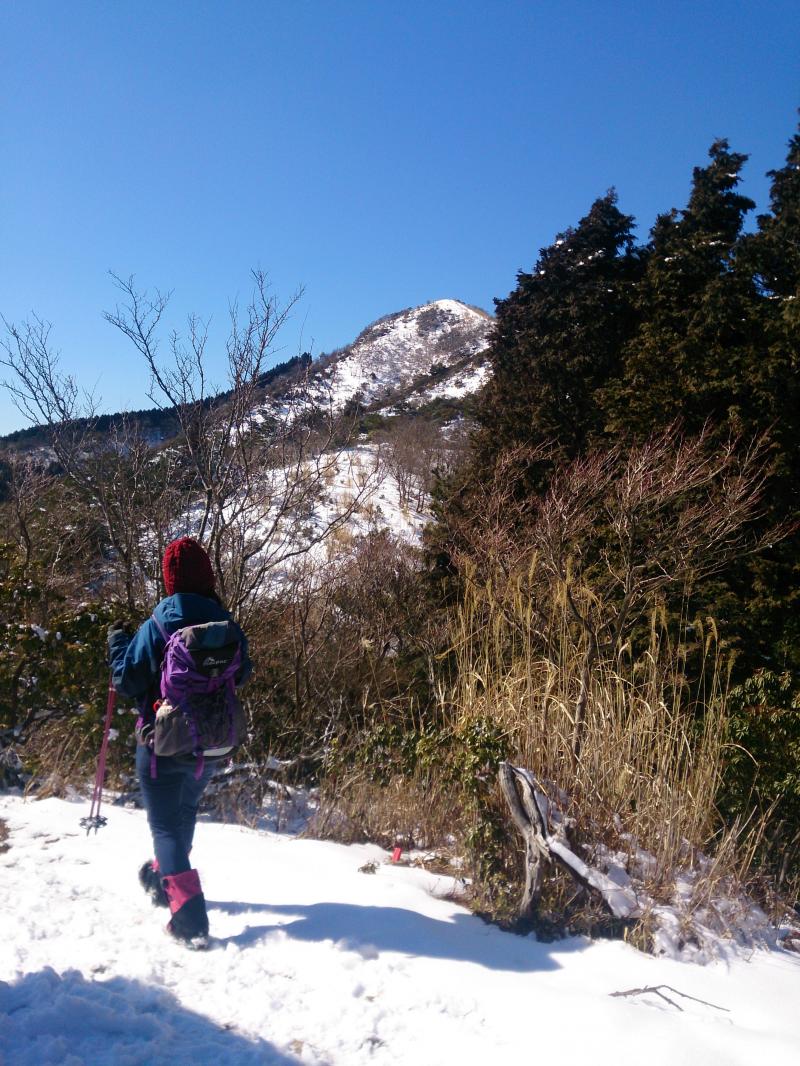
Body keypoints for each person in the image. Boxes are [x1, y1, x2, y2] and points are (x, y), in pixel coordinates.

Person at [108, 537, 251, 945]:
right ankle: (164, 879)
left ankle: (189, 921)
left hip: (163, 743)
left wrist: (117, 645)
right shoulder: (225, 624)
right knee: (184, 810)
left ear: (170, 580)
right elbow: (243, 673)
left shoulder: (159, 623)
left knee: (165, 827)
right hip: (212, 741)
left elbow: (128, 679)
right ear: (208, 577)